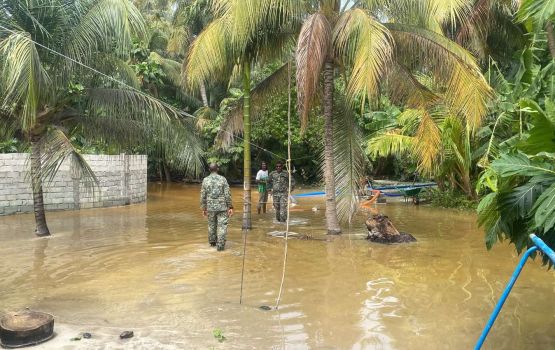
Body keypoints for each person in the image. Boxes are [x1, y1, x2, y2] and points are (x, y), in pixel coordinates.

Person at [200, 163, 233, 251]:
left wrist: (204, 208)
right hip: (222, 207)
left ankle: (212, 243)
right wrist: (230, 207)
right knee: (222, 226)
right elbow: (227, 194)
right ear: (217, 169)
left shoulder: (205, 180)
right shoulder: (223, 179)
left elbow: (203, 195)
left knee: (211, 225)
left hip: (210, 207)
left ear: (209, 170)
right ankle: (221, 246)